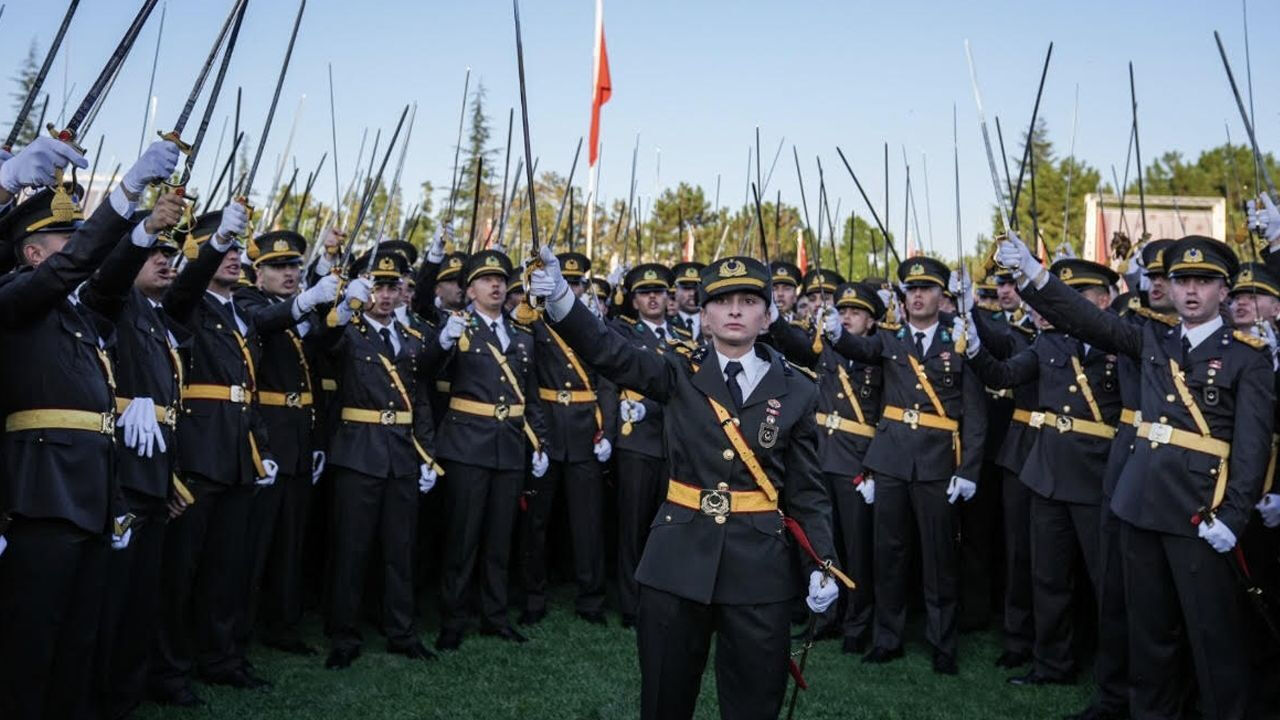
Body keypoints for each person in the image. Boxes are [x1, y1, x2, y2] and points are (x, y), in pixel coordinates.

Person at [530, 250, 843, 720]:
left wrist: (823, 560)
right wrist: (559, 298)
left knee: (755, 703)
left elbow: (807, 491)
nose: (735, 310)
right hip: (677, 560)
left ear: (767, 315)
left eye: (747, 300)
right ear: (705, 315)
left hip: (759, 566)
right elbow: (609, 352)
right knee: (664, 700)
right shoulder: (676, 370)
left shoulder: (797, 388)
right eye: (721, 301)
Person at [994, 231, 1274, 719]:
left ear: (1224, 293)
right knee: (1148, 632)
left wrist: (1233, 516)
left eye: (1204, 283)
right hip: (1141, 504)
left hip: (1200, 512)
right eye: (1182, 280)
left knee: (1212, 633)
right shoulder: (1150, 337)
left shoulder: (1246, 356)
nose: (1190, 291)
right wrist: (1033, 275)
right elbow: (1084, 318)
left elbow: (1250, 448)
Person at [0, 137, 177, 717]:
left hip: (93, 496)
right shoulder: (15, 298)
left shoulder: (76, 313)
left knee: (78, 643)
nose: (79, 250)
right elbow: (79, 266)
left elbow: (106, 275)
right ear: (32, 255)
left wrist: (143, 228)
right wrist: (123, 194)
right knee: (33, 648)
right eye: (65, 241)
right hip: (42, 495)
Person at [823, 256, 987, 674]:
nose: (917, 296)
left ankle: (942, 644)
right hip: (891, 460)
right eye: (911, 289)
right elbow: (858, 347)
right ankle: (887, 637)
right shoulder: (890, 339)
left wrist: (968, 471)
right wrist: (836, 332)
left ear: (941, 296)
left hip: (936, 464)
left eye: (926, 288)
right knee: (888, 556)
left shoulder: (960, 340)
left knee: (938, 560)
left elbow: (975, 413)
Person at [966, 258, 1122, 686]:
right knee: (1047, 577)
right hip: (1048, 473)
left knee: (1107, 583)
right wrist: (975, 347)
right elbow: (1004, 373)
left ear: (1104, 301)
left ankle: (1115, 677)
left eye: (1079, 298)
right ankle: (1052, 663)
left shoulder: (1120, 345)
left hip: (1098, 475)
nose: (1065, 307)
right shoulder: (1050, 344)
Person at [152, 202, 278, 701]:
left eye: (232, 249)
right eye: (215, 249)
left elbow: (248, 387)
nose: (231, 258)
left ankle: (221, 656)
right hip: (199, 453)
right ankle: (170, 670)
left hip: (237, 451)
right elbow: (184, 287)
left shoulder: (241, 311)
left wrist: (261, 447)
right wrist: (214, 244)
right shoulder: (183, 301)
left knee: (228, 569)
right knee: (183, 572)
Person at [79, 191, 190, 718]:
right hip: (118, 472)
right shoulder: (117, 303)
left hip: (152, 473)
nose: (165, 260)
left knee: (141, 597)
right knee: (112, 599)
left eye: (170, 253)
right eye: (153, 253)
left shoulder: (155, 317)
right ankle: (104, 695)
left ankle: (126, 692)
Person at [320, 249, 440, 669]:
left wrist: (427, 453)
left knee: (399, 549)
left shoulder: (411, 340)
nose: (386, 296)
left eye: (392, 287)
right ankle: (344, 635)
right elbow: (323, 341)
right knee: (352, 549)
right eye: (377, 288)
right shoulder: (348, 331)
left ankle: (401, 632)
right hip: (358, 451)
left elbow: (420, 400)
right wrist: (343, 304)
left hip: (402, 455)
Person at [427, 249, 549, 651]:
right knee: (463, 539)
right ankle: (453, 618)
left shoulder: (521, 333)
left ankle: (495, 616)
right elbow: (425, 372)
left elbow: (530, 395)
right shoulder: (456, 327)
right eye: (485, 279)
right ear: (470, 289)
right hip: (467, 444)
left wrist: (539, 440)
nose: (496, 285)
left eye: (500, 279)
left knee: (500, 538)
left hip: (510, 446)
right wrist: (442, 341)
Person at [234, 230, 336, 657]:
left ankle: (282, 623)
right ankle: (239, 628)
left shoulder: (295, 312)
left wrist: (340, 309)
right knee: (254, 544)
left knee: (290, 541)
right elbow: (268, 323)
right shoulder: (248, 303)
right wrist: (308, 301)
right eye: (278, 267)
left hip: (297, 433)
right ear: (258, 274)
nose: (290, 273)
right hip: (266, 435)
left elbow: (320, 349)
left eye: (294, 266)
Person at [770, 281, 885, 655]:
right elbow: (794, 345)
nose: (847, 317)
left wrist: (874, 467)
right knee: (821, 547)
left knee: (857, 549)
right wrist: (774, 318)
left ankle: (858, 623)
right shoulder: (825, 347)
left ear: (871, 321)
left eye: (856, 312)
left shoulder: (880, 354)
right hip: (822, 455)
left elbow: (888, 414)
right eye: (844, 310)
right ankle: (825, 617)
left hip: (857, 461)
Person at [519, 251, 612, 626]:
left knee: (588, 523)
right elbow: (525, 379)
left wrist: (606, 431)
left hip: (585, 432)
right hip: (547, 429)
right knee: (536, 521)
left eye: (575, 284)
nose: (570, 288)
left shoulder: (589, 324)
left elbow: (607, 377)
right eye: (565, 282)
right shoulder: (534, 322)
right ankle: (533, 596)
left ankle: (591, 599)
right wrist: (536, 435)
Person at [611, 263, 684, 628]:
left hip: (672, 441)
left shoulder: (683, 333)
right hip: (637, 441)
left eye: (659, 291)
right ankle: (631, 602)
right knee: (633, 527)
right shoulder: (623, 332)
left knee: (668, 529)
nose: (653, 297)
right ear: (633, 300)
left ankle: (662, 598)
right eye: (644, 292)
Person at [670, 261, 705, 339]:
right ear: (676, 291)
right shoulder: (665, 323)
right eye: (687, 288)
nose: (692, 293)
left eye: (697, 288)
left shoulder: (713, 323)